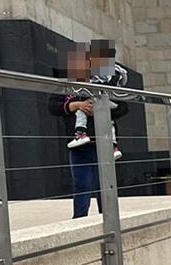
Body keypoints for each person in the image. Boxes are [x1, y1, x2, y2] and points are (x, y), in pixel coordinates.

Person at [48, 41, 131, 219]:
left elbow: (124, 107)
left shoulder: (106, 82)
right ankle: (79, 219)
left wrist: (101, 109)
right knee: (81, 184)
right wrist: (76, 105)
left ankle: (109, 218)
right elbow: (53, 106)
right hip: (79, 145)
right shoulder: (68, 84)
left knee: (105, 185)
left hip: (105, 142)